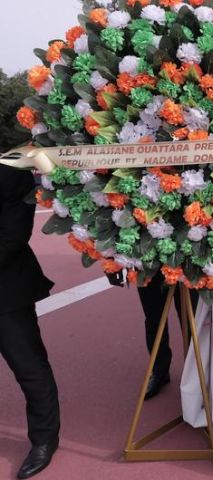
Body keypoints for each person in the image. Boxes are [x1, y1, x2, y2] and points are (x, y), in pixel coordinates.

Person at [0, 164, 60, 479]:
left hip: (6, 292)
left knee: (30, 369)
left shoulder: (12, 175)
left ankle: (44, 440)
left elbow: (13, 236)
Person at [106, 270, 199, 399]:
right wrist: (112, 265)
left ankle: (197, 372)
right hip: (147, 264)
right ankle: (159, 370)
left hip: (187, 262)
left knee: (192, 321)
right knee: (154, 319)